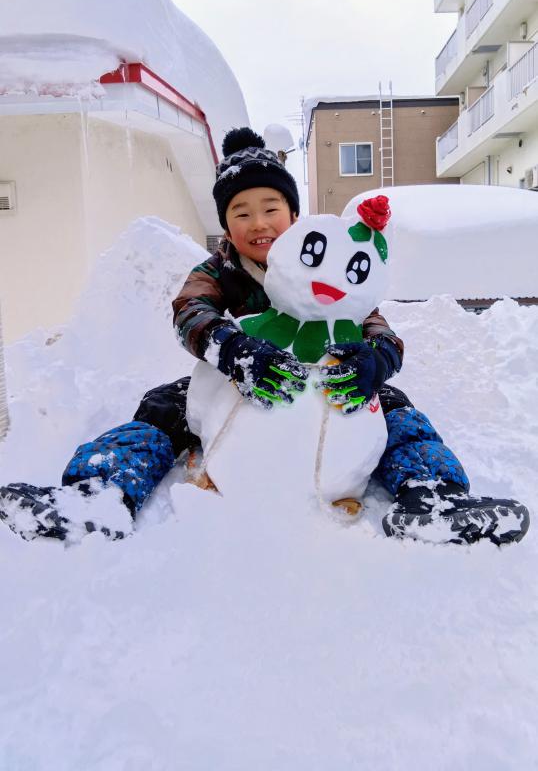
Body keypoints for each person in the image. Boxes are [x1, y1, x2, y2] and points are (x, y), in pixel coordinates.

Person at [0, 128, 529, 546]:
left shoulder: (329, 264)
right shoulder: (222, 270)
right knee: (162, 407)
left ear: (294, 215)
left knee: (397, 411)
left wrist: (374, 363)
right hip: (242, 380)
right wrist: (232, 349)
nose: (259, 223)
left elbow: (376, 324)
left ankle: (430, 499)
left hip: (328, 381)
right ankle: (99, 495)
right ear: (226, 226)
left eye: (271, 209)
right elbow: (191, 309)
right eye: (241, 212)